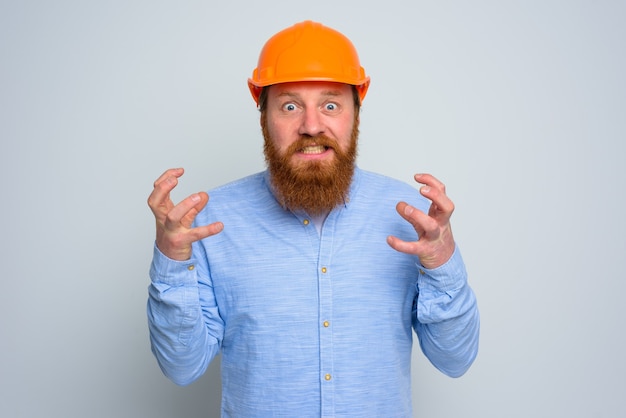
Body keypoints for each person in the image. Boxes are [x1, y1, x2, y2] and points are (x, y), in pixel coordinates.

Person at [147, 20, 479, 417]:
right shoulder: (208, 222)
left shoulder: (414, 219)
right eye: (290, 106)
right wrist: (171, 263)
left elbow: (455, 359)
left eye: (330, 105)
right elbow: (181, 367)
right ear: (263, 117)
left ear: (356, 114)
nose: (311, 125)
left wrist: (442, 263)